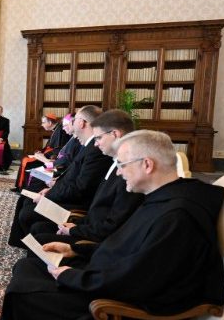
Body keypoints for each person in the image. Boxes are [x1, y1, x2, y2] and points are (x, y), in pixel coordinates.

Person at [0, 130, 224, 320]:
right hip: (112, 279)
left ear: (147, 165)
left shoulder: (178, 217)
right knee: (27, 268)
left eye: (122, 164)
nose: (118, 172)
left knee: (23, 295)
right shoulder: (163, 197)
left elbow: (137, 279)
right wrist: (75, 249)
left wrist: (70, 276)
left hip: (122, 312)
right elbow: (126, 248)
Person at [30, 109, 145, 250]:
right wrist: (77, 225)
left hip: (94, 239)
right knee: (37, 226)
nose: (95, 144)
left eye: (98, 138)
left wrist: (75, 231)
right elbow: (99, 209)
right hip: (88, 224)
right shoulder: (117, 165)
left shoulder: (129, 176)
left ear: (115, 134)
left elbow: (112, 227)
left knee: (36, 230)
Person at [8, 105, 113, 248]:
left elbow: (80, 188)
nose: (72, 123)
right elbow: (72, 174)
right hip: (66, 192)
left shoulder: (95, 150)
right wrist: (52, 188)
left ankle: (31, 245)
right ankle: (23, 242)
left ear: (82, 123)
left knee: (27, 212)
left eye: (75, 119)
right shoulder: (88, 146)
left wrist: (49, 195)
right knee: (26, 199)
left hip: (75, 203)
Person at [12, 113, 70, 192]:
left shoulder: (60, 131)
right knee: (25, 159)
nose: (42, 125)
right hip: (47, 156)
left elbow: (58, 149)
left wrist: (44, 155)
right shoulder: (56, 129)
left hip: (51, 159)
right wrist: (41, 152)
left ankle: (23, 188)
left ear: (50, 123)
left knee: (27, 162)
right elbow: (49, 147)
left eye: (43, 122)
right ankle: (19, 187)